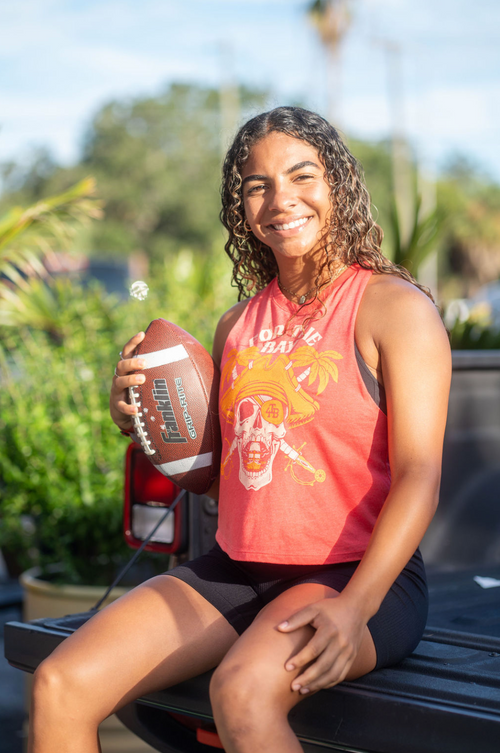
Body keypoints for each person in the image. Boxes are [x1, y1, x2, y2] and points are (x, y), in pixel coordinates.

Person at [29, 107, 451, 753]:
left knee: (242, 692)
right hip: (238, 569)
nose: (281, 199)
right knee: (60, 683)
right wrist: (140, 422)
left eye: (301, 175)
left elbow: (420, 474)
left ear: (337, 183)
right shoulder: (236, 327)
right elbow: (219, 473)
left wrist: (355, 606)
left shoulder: (395, 309)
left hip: (359, 576)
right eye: (258, 186)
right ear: (241, 206)